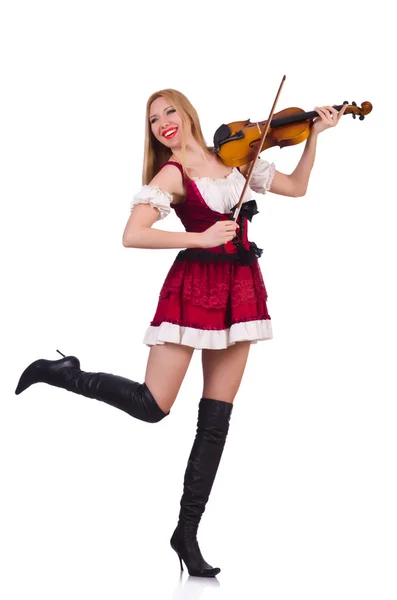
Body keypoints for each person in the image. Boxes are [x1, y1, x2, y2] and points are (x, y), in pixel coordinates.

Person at [15, 89, 347, 577]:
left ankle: (186, 534)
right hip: (194, 288)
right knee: (153, 406)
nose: (163, 123)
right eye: (153, 120)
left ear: (188, 112)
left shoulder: (237, 156)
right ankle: (64, 373)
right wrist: (201, 236)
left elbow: (296, 187)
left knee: (216, 421)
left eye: (169, 111)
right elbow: (133, 233)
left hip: (242, 290)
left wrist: (314, 137)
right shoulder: (171, 174)